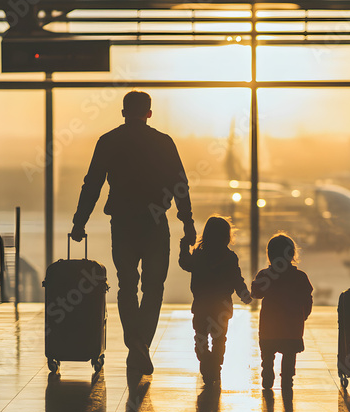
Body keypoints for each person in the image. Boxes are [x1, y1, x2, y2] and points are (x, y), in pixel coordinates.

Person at [71, 90, 196, 375]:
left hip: (123, 223)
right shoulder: (163, 143)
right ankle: (141, 346)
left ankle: (136, 346)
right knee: (154, 287)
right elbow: (180, 184)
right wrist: (187, 221)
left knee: (127, 284)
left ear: (123, 111)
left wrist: (80, 222)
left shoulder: (109, 141)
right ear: (149, 113)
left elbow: (92, 184)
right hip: (155, 223)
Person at [179, 216, 251, 384]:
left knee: (200, 337)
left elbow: (185, 263)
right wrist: (244, 293)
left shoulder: (198, 256)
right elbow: (236, 279)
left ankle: (206, 362)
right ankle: (216, 366)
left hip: (201, 305)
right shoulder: (230, 258)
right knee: (219, 339)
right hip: (222, 307)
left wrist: (183, 246)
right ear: (227, 237)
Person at [251, 234, 313, 390]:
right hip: (292, 327)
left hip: (269, 327)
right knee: (289, 354)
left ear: (270, 255)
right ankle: (287, 378)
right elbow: (307, 299)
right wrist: (303, 316)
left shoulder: (265, 276)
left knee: (267, 353)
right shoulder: (300, 277)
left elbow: (256, 294)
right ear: (292, 255)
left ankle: (267, 372)